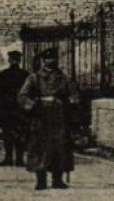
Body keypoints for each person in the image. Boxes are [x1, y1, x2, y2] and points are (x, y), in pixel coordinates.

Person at [18, 47, 78, 190]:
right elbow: (22, 96)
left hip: (59, 117)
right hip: (41, 117)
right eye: (48, 59)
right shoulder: (34, 78)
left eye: (54, 59)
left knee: (59, 147)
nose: (51, 61)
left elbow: (74, 96)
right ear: (43, 61)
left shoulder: (64, 78)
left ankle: (57, 179)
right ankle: (41, 180)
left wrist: (69, 104)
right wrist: (33, 106)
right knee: (40, 147)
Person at [0, 50, 29, 168]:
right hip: (18, 108)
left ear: (10, 60)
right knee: (19, 133)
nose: (14, 61)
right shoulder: (25, 74)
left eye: (14, 59)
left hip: (8, 108)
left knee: (8, 133)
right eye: (14, 59)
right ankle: (19, 160)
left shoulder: (3, 75)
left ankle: (10, 158)